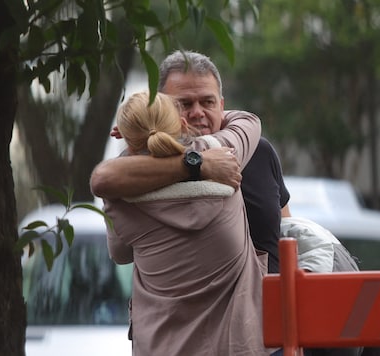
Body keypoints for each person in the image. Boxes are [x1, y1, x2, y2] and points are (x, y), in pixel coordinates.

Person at [90, 50, 290, 274]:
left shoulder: (259, 151)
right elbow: (121, 251)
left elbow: (286, 229)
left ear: (221, 105)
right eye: (184, 104)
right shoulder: (137, 168)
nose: (197, 113)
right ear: (162, 108)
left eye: (207, 102)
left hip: (270, 302)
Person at [104, 90, 268, 355]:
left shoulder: (120, 194)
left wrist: (141, 133)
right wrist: (201, 116)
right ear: (182, 123)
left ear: (129, 141)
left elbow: (120, 254)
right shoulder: (220, 157)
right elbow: (249, 120)